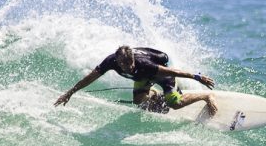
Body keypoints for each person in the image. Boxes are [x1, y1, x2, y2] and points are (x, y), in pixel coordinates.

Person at [54, 46, 217, 116]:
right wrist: (70, 93)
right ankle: (155, 95)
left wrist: (197, 77)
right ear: (118, 63)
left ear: (133, 59)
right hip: (143, 78)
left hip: (160, 74)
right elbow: (90, 77)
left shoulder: (143, 64)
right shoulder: (110, 62)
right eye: (125, 66)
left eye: (131, 64)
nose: (130, 68)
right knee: (139, 101)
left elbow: (173, 71)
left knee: (174, 104)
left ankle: (205, 97)